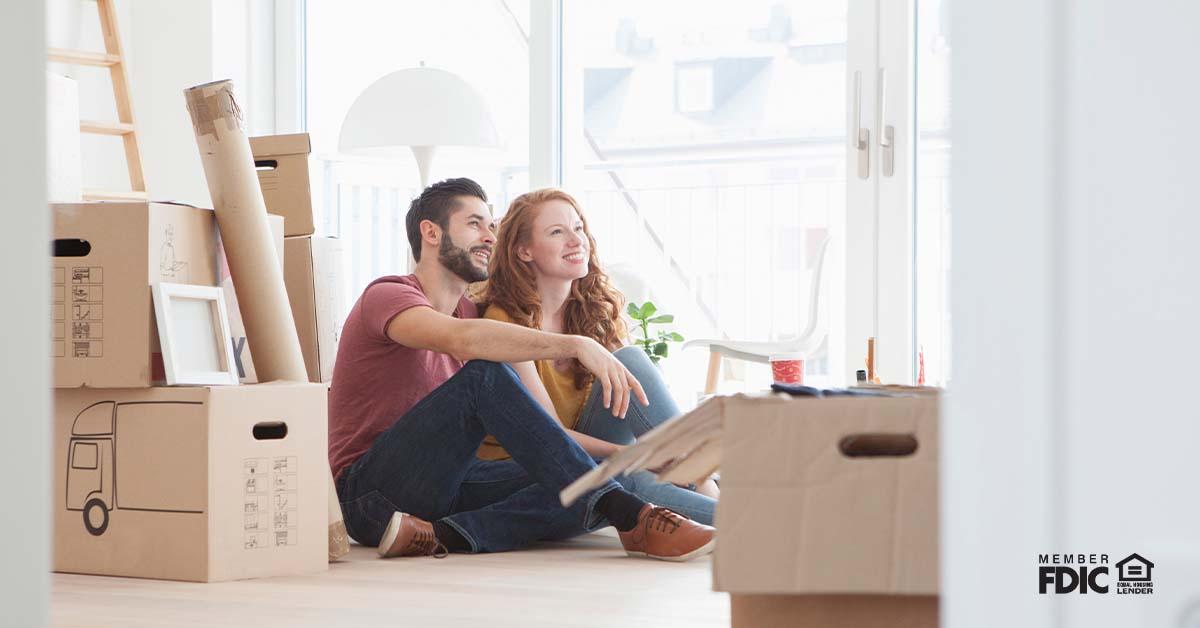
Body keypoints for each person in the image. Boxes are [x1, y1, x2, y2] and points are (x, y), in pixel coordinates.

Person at [329, 178, 715, 561]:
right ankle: (632, 517)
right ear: (430, 232)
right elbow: (460, 339)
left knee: (598, 474)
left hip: (448, 487)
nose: (488, 236)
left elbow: (492, 319)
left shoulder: (469, 309)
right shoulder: (389, 295)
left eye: (491, 226)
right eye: (475, 224)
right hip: (371, 495)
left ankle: (444, 535)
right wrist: (578, 345)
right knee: (485, 375)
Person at [478, 188, 718, 526]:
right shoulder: (505, 322)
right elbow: (550, 436)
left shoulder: (591, 311)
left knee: (631, 359)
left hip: (585, 446)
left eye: (578, 228)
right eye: (557, 232)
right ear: (524, 251)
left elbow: (636, 400)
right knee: (632, 480)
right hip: (528, 463)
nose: (576, 240)